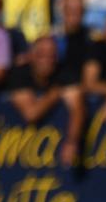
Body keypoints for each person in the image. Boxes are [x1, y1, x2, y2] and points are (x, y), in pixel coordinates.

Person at [7, 36, 84, 168]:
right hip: (16, 151)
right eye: (41, 54)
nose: (46, 60)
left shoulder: (66, 72)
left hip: (53, 150)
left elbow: (78, 108)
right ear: (31, 56)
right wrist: (55, 93)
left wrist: (72, 141)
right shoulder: (19, 74)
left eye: (51, 55)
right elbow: (31, 114)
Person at [55, 0, 95, 84]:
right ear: (62, 11)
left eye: (78, 10)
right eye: (70, 9)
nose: (74, 14)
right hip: (57, 88)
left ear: (84, 12)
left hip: (84, 88)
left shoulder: (93, 39)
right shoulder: (52, 38)